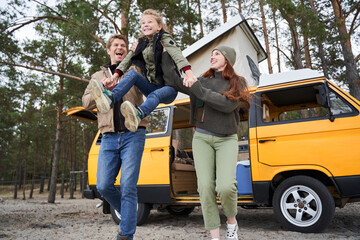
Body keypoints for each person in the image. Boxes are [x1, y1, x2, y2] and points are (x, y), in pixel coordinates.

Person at [162, 46, 250, 240]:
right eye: (212, 54)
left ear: (227, 59)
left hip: (226, 138)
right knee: (205, 187)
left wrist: (198, 89)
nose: (213, 56)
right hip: (202, 137)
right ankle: (214, 236)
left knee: (226, 186)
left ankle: (232, 223)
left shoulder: (237, 82)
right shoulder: (201, 80)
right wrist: (165, 53)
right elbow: (173, 79)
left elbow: (226, 105)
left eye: (217, 54)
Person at [88, 9, 197, 132]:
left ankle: (138, 114)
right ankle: (111, 98)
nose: (145, 25)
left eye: (149, 22)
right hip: (152, 85)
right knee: (132, 74)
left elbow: (177, 55)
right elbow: (127, 59)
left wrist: (189, 74)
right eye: (142, 23)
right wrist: (115, 77)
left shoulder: (164, 38)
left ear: (159, 26)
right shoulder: (142, 43)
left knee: (155, 95)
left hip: (169, 88)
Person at [82, 34, 147, 240]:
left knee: (128, 185)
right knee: (103, 185)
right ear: (109, 50)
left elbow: (148, 86)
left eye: (123, 46)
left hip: (133, 134)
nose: (120, 48)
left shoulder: (134, 70)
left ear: (126, 51)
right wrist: (101, 90)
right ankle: (128, 214)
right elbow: (85, 102)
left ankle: (126, 234)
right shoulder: (96, 77)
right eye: (116, 45)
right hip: (108, 137)